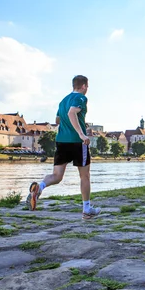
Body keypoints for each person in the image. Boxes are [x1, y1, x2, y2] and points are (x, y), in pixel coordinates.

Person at [26, 75, 101, 219]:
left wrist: (69, 123)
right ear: (84, 86)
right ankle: (87, 209)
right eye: (87, 87)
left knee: (57, 176)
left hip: (61, 141)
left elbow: (58, 119)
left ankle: (39, 188)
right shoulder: (81, 98)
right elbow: (72, 112)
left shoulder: (63, 101)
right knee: (84, 176)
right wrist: (81, 134)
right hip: (78, 142)